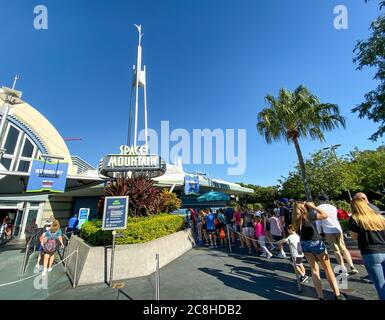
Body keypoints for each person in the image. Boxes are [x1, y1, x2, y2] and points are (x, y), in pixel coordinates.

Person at [293, 201, 347, 300]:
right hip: (315, 242)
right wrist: (313, 207)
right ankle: (337, 294)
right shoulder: (309, 215)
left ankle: (321, 296)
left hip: (304, 243)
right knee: (328, 269)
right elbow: (325, 215)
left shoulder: (295, 220)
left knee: (314, 270)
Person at [349, 198, 385, 300]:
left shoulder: (355, 218)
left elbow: (354, 237)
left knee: (380, 284)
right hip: (384, 249)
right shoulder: (379, 217)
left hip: (370, 252)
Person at [316, 194, 358, 275]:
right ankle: (352, 266)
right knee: (343, 248)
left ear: (319, 200)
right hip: (337, 228)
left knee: (336, 250)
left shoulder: (319, 208)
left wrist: (319, 232)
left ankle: (343, 268)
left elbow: (318, 222)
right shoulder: (333, 207)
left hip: (328, 230)